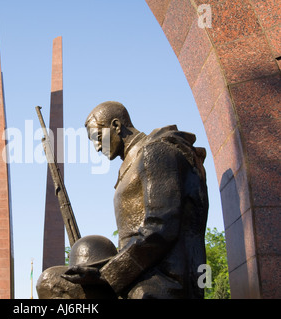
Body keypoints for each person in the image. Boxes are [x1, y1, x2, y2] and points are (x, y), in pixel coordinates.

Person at [36, 101, 209, 299]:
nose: (97, 147)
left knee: (51, 283)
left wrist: (106, 274)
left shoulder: (156, 152)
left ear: (116, 126)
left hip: (160, 279)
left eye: (98, 137)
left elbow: (161, 228)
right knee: (51, 280)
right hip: (135, 273)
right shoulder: (132, 163)